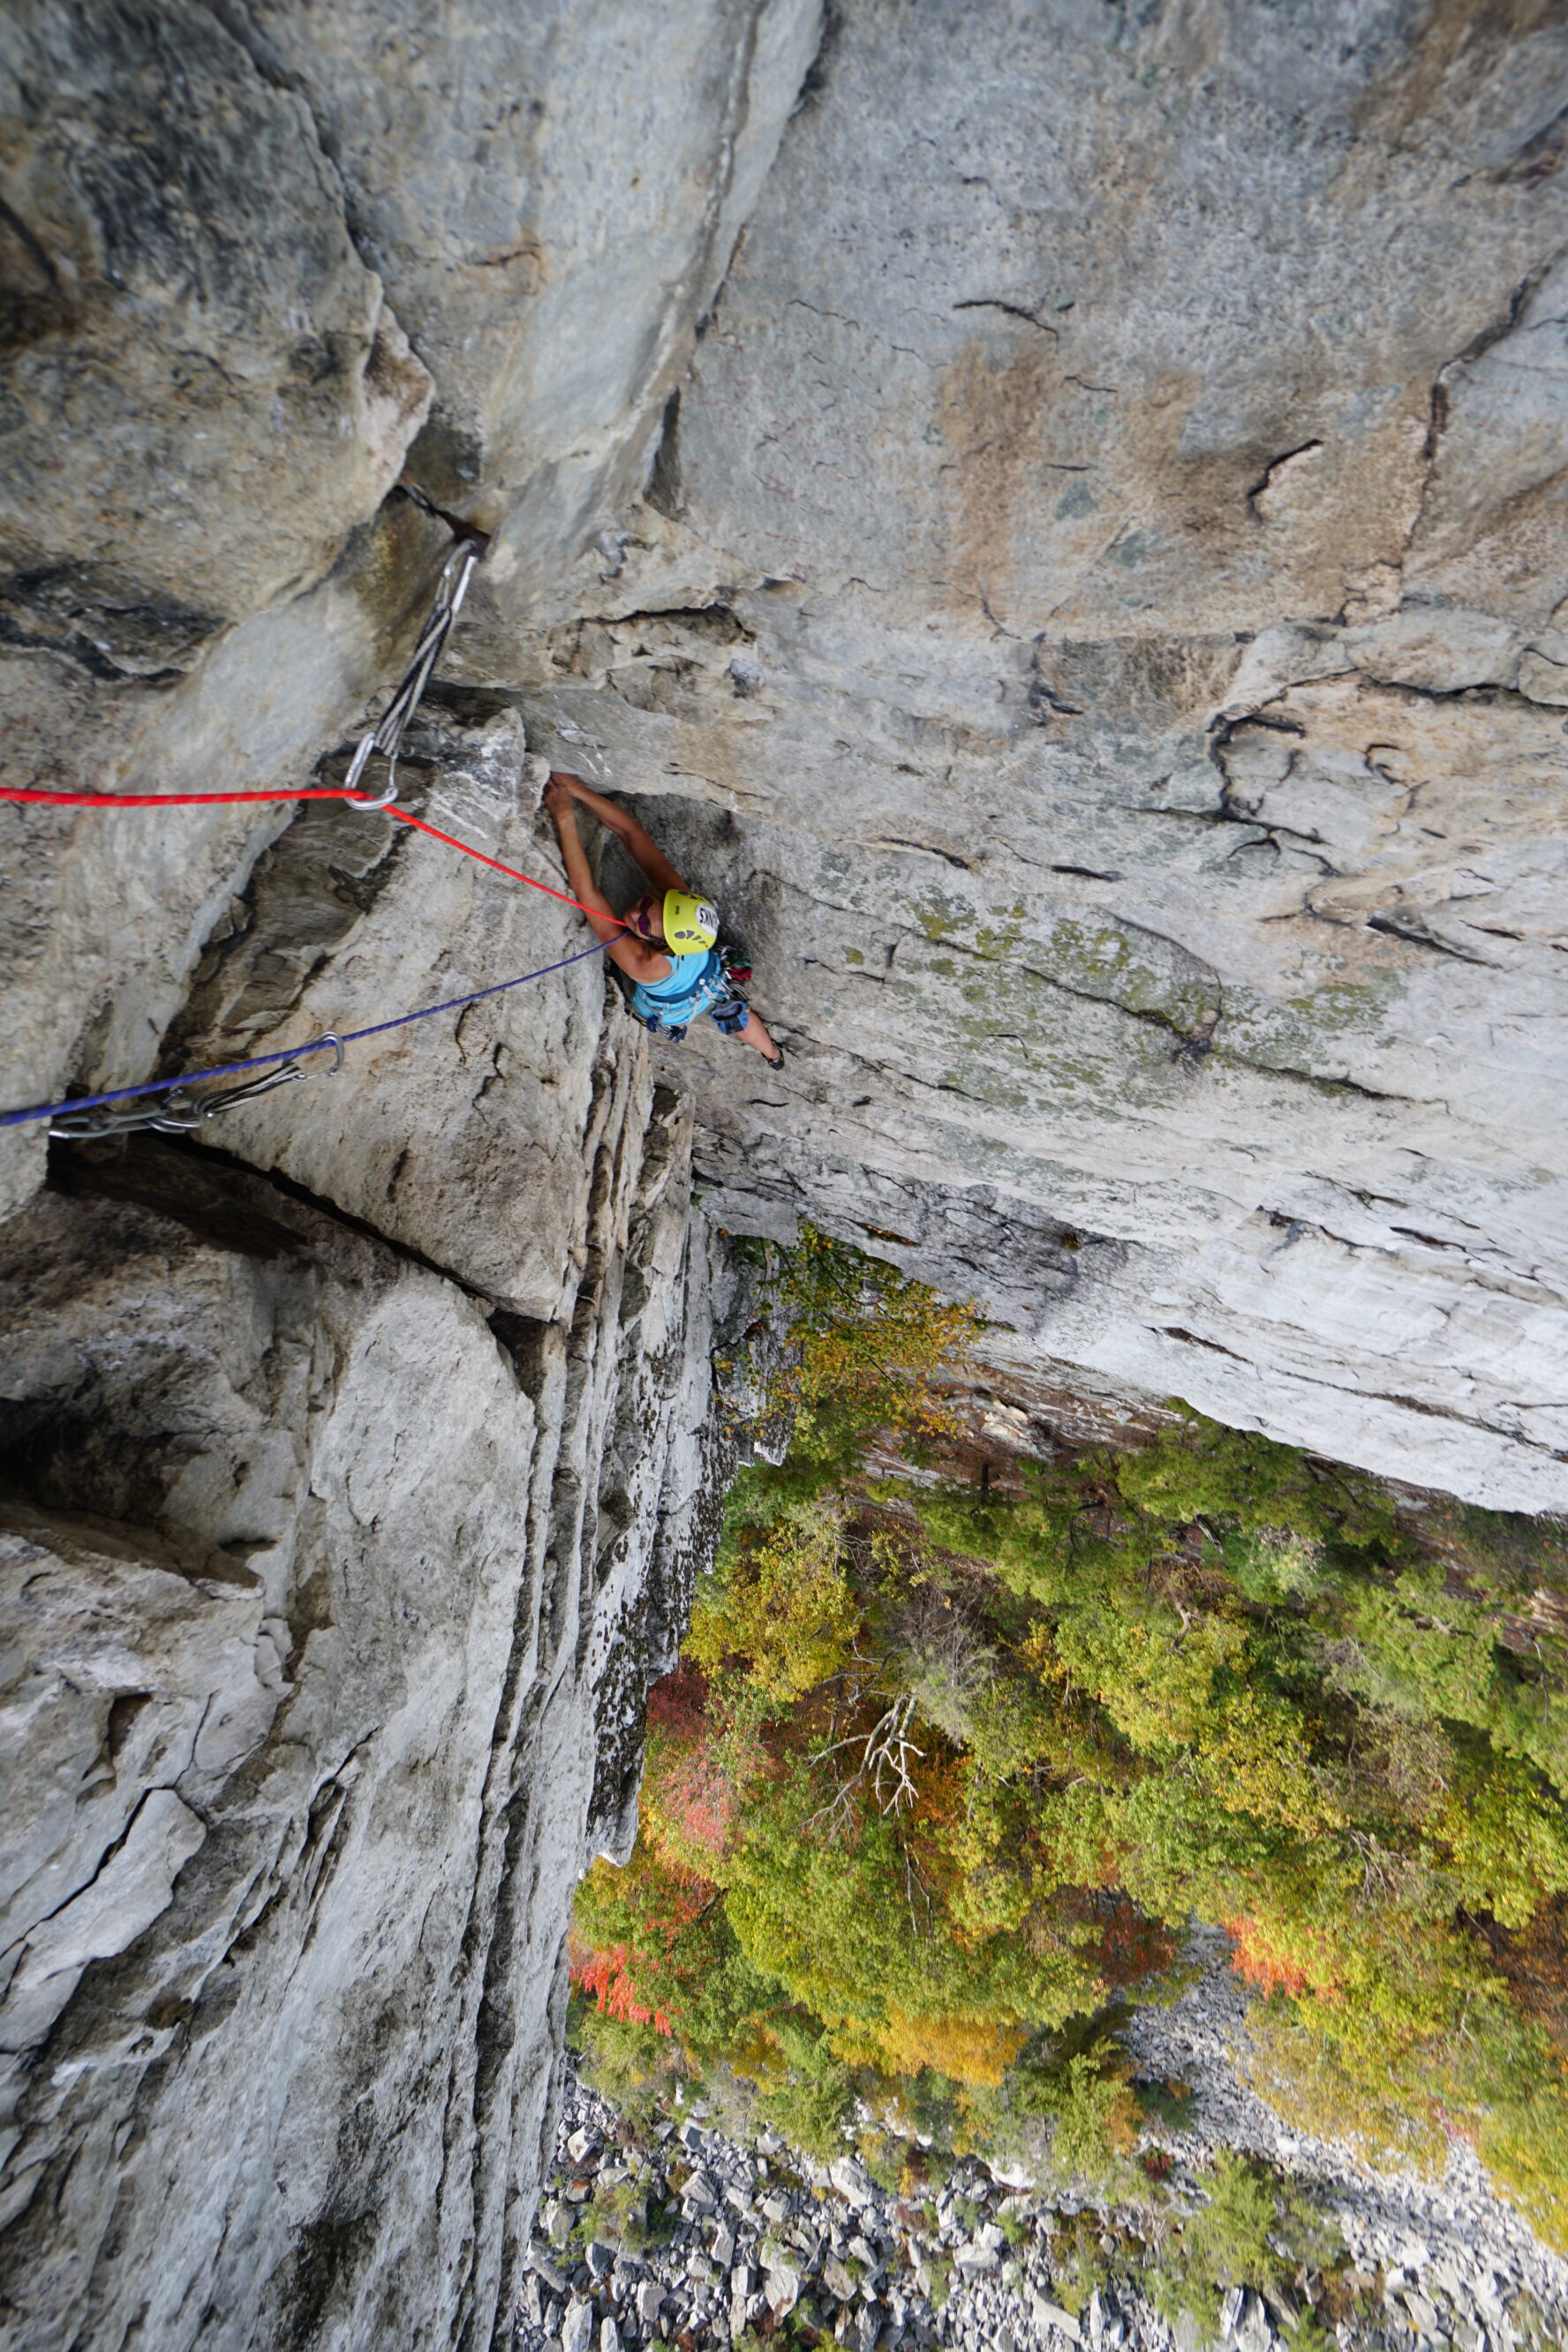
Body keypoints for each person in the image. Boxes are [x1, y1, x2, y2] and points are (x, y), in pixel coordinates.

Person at [541, 771, 785, 1066]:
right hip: (711, 979)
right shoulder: (676, 898)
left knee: (733, 1013)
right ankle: (773, 1055)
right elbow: (630, 832)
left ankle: (770, 1053)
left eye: (643, 925)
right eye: (646, 904)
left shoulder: (646, 963)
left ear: (659, 945)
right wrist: (577, 789)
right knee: (738, 1015)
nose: (633, 913)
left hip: (671, 1006)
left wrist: (564, 815)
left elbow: (587, 893)